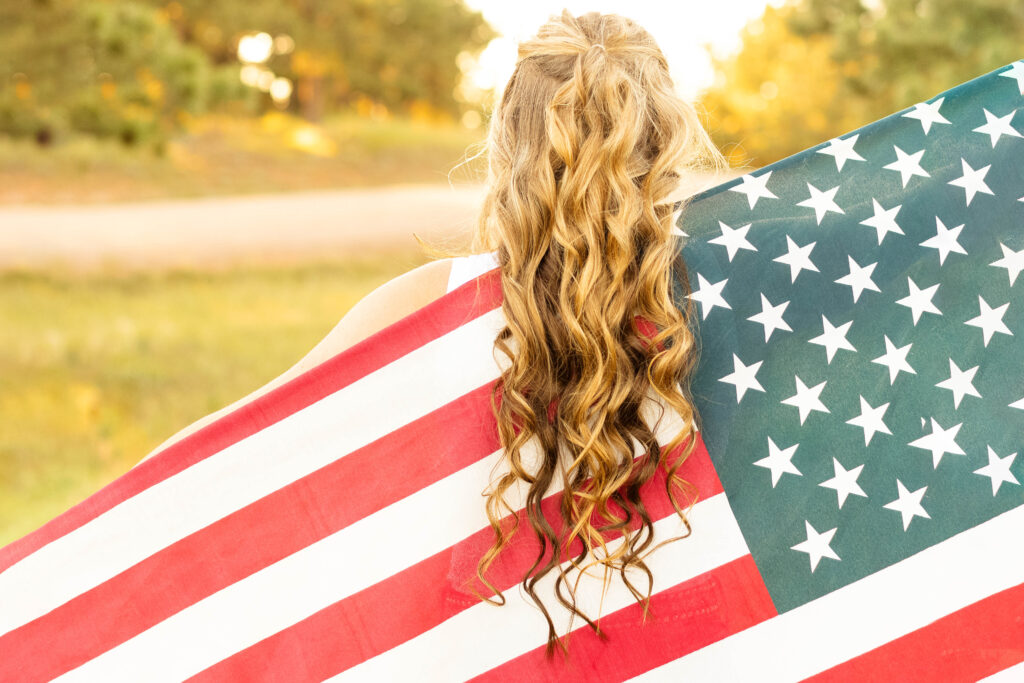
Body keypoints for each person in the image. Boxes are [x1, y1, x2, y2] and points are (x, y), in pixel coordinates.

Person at [136, 9, 727, 655]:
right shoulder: (725, 292)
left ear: (508, 147)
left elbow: (237, 443)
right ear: (668, 139)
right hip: (677, 638)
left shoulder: (432, 301)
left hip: (485, 646)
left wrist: (87, 529)